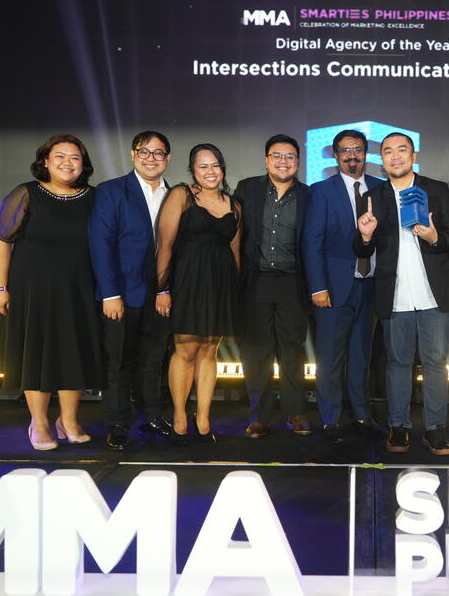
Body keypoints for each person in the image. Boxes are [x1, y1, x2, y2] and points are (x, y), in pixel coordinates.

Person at [0, 134, 102, 451]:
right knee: (36, 355)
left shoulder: (94, 197)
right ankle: (38, 423)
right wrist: (0, 287)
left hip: (79, 288)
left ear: (83, 164)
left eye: (75, 157)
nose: (68, 163)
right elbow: (2, 242)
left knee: (72, 353)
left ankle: (68, 420)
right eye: (60, 156)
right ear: (45, 161)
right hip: (32, 290)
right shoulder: (26, 193)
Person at [356, 132, 449, 455]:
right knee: (398, 363)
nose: (395, 156)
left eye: (402, 150)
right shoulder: (372, 196)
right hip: (395, 293)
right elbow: (362, 249)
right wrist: (365, 236)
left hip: (434, 294)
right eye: (388, 151)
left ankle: (435, 429)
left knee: (435, 363)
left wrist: (433, 236)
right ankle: (398, 426)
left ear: (413, 156)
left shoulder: (436, 190)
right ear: (382, 160)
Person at [88, 131, 173, 451]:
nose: (151, 158)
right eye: (144, 152)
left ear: (168, 158)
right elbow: (101, 244)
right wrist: (110, 294)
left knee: (153, 361)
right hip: (121, 294)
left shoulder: (176, 194)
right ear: (133, 155)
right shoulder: (111, 191)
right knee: (119, 362)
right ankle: (118, 424)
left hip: (160, 295)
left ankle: (153, 417)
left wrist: (167, 288)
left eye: (158, 153)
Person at [155, 143, 241, 445]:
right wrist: (162, 288)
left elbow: (235, 251)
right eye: (203, 166)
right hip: (187, 280)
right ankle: (180, 417)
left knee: (209, 350)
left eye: (215, 165)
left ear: (223, 169)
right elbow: (165, 245)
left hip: (220, 283)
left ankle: (203, 419)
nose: (210, 171)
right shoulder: (181, 195)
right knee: (186, 349)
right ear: (193, 170)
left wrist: (236, 292)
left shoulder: (234, 204)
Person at [302, 130, 384, 443]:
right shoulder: (321, 191)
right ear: (336, 155)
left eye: (358, 149)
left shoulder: (380, 188)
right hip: (333, 289)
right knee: (330, 357)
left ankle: (361, 416)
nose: (353, 155)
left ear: (366, 154)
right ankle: (330, 419)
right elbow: (312, 242)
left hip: (370, 287)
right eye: (346, 150)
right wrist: (318, 287)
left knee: (361, 356)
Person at [234, 134, 313, 439]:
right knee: (257, 351)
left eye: (289, 156)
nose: (283, 161)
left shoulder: (309, 196)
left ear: (298, 162)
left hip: (293, 281)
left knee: (292, 350)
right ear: (266, 160)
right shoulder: (247, 189)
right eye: (277, 155)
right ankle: (260, 416)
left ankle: (296, 412)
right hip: (256, 281)